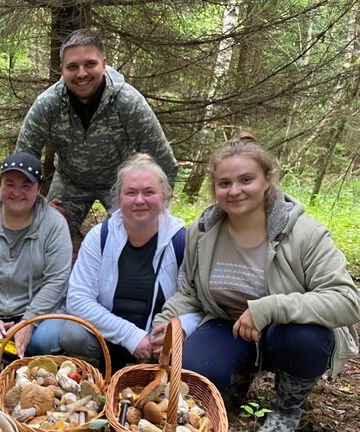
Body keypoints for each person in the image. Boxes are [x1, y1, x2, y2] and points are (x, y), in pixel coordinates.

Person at [151, 133, 360, 431]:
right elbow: (191, 292)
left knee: (304, 339)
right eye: (224, 183)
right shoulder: (202, 231)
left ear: (267, 180)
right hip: (228, 324)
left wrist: (269, 308)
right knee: (195, 367)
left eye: (246, 180)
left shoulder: (305, 233)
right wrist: (165, 323)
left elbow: (347, 301)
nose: (234, 191)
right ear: (215, 188)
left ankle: (287, 408)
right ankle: (236, 381)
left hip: (284, 330)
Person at [15, 28, 178, 236]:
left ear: (104, 63)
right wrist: (37, 204)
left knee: (131, 237)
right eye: (72, 66)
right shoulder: (48, 105)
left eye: (90, 64)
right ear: (62, 69)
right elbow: (22, 161)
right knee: (45, 233)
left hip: (120, 184)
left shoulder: (128, 102)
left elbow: (164, 162)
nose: (82, 73)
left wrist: (156, 209)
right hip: (70, 181)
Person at [61, 154, 196, 372]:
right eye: (131, 192)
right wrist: (130, 336)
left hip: (159, 339)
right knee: (73, 335)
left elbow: (195, 302)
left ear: (164, 197)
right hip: (111, 334)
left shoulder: (181, 241)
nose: (139, 200)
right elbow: (77, 298)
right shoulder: (100, 237)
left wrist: (178, 331)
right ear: (119, 198)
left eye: (149, 192)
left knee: (193, 345)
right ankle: (108, 364)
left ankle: (158, 369)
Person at [0, 152, 71, 357]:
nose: (17, 192)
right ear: (0, 185)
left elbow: (57, 279)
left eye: (26, 185)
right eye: (10, 184)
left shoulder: (54, 225)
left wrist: (30, 321)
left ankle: (10, 350)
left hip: (35, 313)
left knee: (44, 341)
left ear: (39, 188)